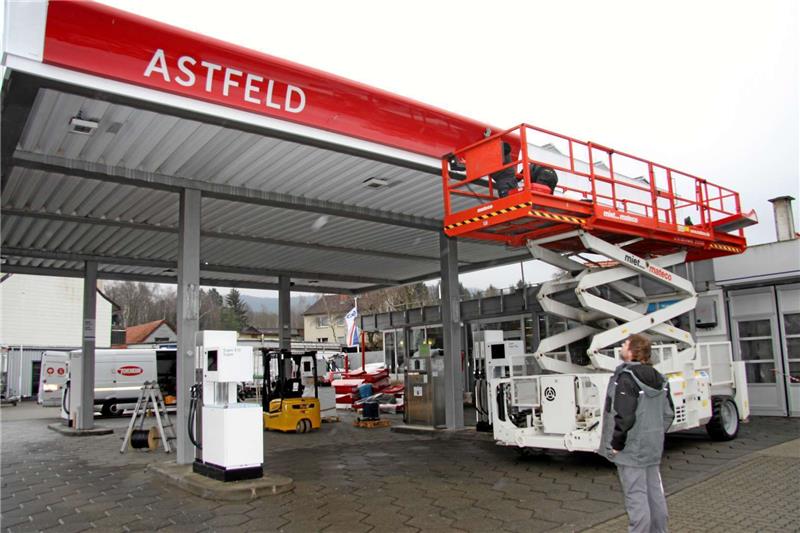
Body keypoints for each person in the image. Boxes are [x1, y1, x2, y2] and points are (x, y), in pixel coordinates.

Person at [600, 334, 674, 533]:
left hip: (631, 449)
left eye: (624, 344)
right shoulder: (659, 378)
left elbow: (624, 416)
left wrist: (616, 444)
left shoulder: (626, 378)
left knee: (636, 497)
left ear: (632, 351)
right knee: (654, 493)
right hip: (652, 446)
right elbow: (669, 414)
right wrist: (654, 433)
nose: (621, 347)